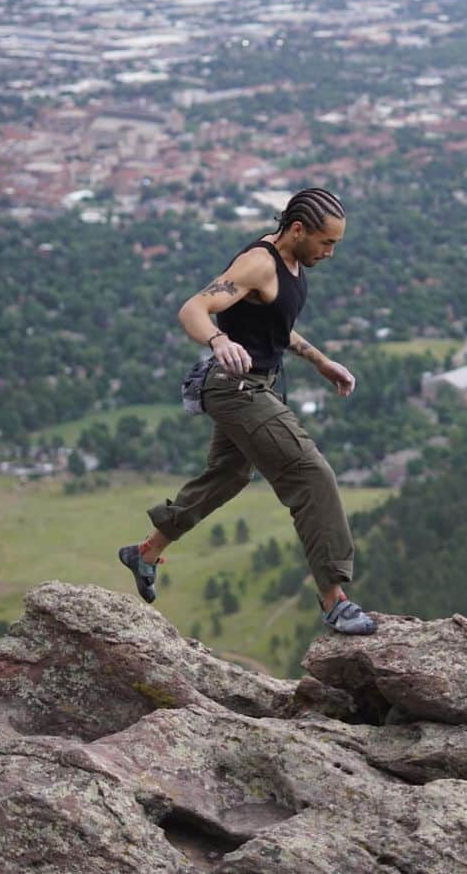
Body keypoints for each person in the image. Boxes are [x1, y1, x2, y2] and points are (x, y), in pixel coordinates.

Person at [118, 187, 377, 635]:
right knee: (311, 474)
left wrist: (320, 361)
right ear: (298, 229)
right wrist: (218, 340)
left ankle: (144, 552)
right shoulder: (259, 263)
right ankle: (335, 600)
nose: (331, 252)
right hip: (237, 388)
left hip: (257, 384)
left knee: (230, 475)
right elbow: (194, 308)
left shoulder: (290, 261)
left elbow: (278, 329)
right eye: (326, 242)